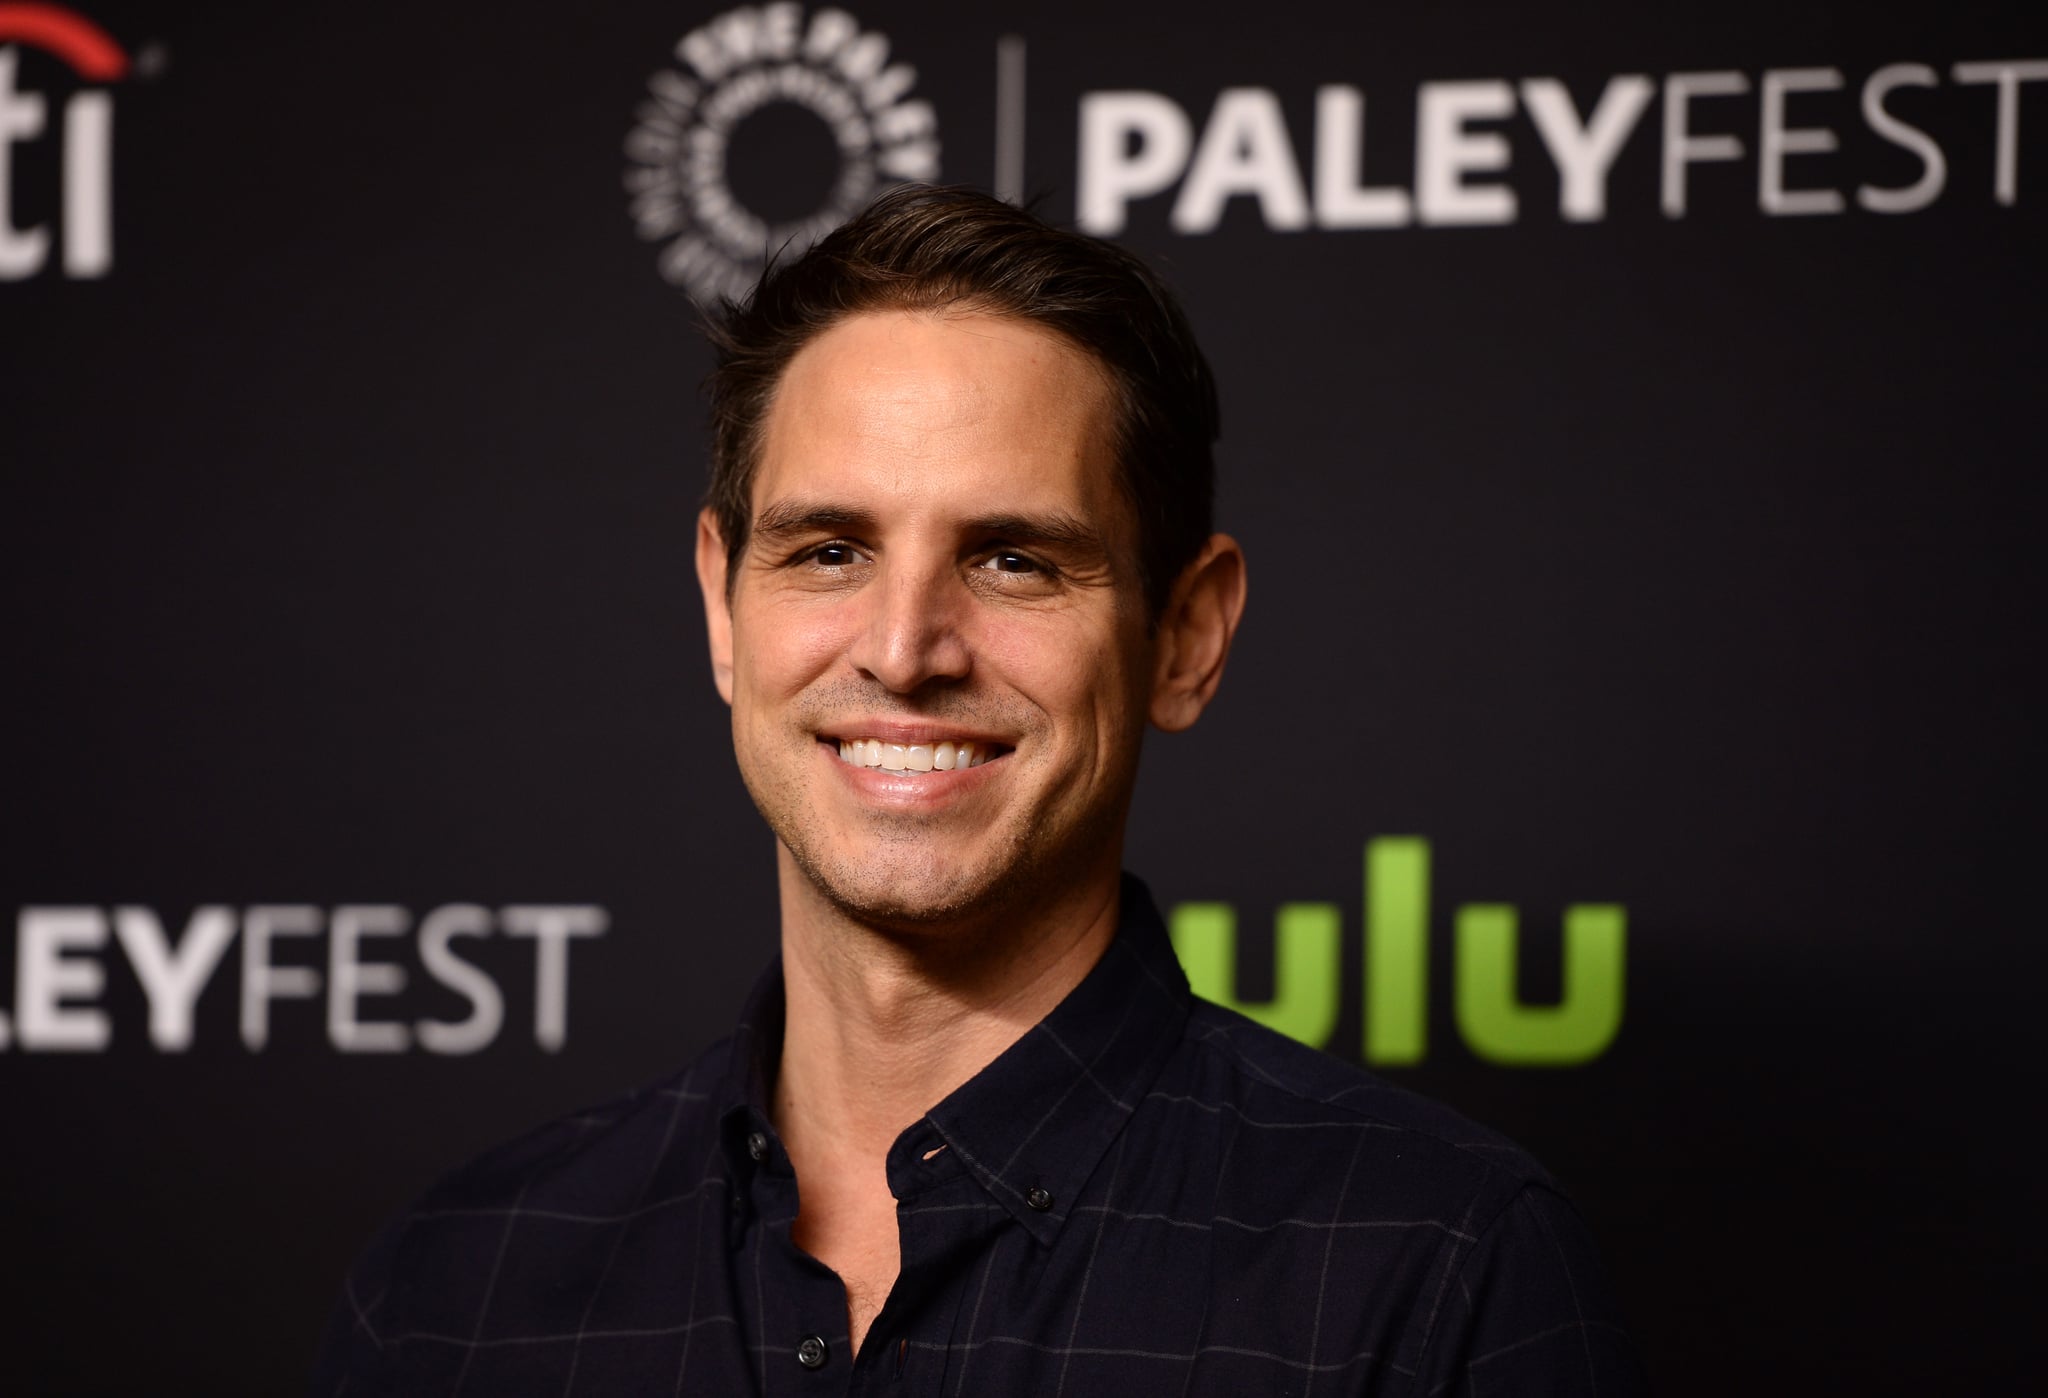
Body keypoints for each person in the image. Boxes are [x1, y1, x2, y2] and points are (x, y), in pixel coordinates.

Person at [312, 185, 1645, 1395]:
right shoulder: (457, 1294)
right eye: (828, 549)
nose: (903, 648)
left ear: (1186, 635)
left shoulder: (1434, 1273)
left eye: (1013, 560)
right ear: (722, 604)